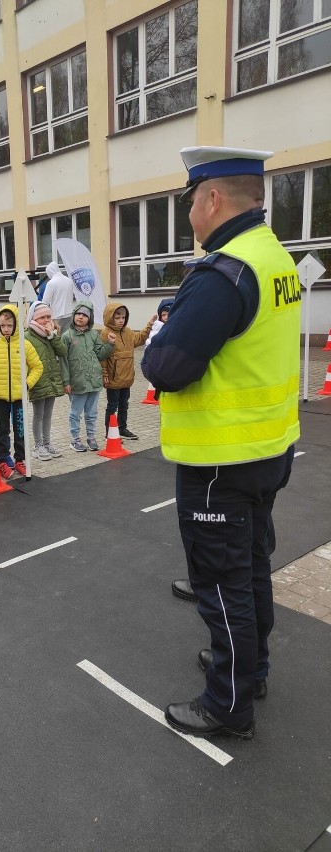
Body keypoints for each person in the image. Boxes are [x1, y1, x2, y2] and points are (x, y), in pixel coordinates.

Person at [142, 146, 301, 740]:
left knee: (220, 582)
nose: (189, 217)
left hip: (220, 461)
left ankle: (228, 704)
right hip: (268, 449)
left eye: (190, 204)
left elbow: (167, 366)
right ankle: (250, 669)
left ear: (212, 199)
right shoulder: (275, 258)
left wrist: (160, 339)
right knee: (252, 565)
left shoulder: (223, 272)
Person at [0, 304, 43, 479]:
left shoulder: (25, 345)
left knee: (20, 430)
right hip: (0, 397)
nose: (6, 329)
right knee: (1, 430)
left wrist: (27, 384)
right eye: (2, 326)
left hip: (19, 398)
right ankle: (1, 461)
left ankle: (20, 459)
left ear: (16, 325)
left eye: (9, 325)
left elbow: (37, 367)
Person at [60, 301, 115, 452]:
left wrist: (110, 344)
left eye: (85, 315)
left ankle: (91, 437)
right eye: (78, 314)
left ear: (89, 319)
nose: (81, 317)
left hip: (94, 381)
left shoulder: (93, 335)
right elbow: (63, 361)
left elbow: (100, 354)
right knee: (75, 413)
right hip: (76, 382)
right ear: (73, 315)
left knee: (91, 413)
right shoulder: (67, 336)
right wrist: (65, 381)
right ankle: (75, 439)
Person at [100, 303, 155, 440]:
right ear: (109, 317)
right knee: (112, 406)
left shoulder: (128, 332)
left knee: (124, 404)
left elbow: (140, 338)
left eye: (123, 317)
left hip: (127, 377)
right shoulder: (105, 333)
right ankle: (110, 433)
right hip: (113, 378)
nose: (121, 320)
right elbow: (102, 357)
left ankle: (122, 428)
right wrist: (104, 374)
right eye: (117, 317)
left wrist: (149, 325)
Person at [25, 301, 66, 460]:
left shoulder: (51, 335)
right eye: (42, 317)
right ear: (34, 318)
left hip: (51, 380)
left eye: (49, 316)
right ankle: (38, 446)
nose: (47, 320)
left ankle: (47, 443)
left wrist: (53, 336)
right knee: (38, 414)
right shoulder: (27, 336)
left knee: (48, 415)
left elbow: (62, 351)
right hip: (37, 381)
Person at [42, 262, 74, 334]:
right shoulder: (69, 281)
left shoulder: (51, 283)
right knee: (67, 337)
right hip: (69, 314)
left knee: (56, 337)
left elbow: (45, 302)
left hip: (56, 315)